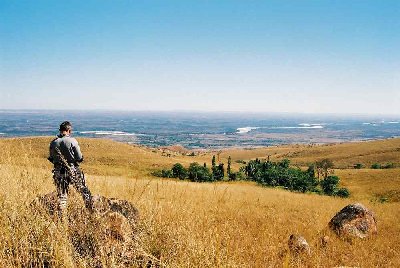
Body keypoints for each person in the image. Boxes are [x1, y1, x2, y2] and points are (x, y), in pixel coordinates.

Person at [48, 121, 93, 215]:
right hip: (72, 169)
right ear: (69, 130)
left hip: (58, 170)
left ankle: (62, 217)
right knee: (83, 191)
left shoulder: (53, 142)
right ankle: (90, 212)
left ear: (60, 130)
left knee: (62, 196)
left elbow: (51, 158)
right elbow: (79, 157)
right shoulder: (72, 141)